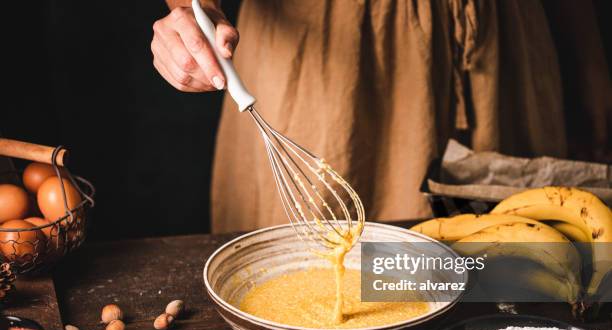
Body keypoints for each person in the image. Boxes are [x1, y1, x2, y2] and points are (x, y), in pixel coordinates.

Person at [151, 0, 611, 233]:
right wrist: (193, 12)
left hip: (506, 54)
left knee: (506, 279)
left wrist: (591, 76)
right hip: (330, 71)